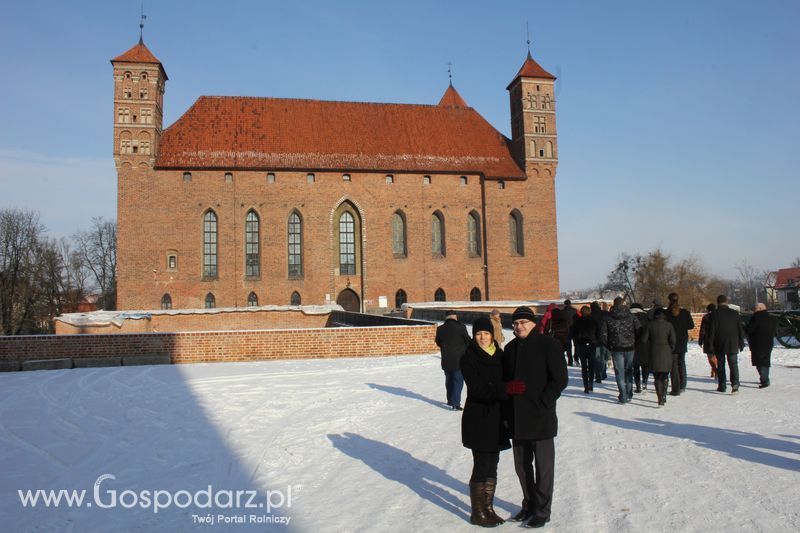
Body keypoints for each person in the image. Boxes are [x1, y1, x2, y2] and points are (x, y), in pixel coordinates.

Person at [503, 306, 568, 528]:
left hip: (540, 415)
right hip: (517, 416)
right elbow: (504, 379)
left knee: (544, 466)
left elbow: (560, 379)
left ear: (533, 324)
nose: (519, 327)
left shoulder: (548, 345)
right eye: (516, 323)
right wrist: (507, 388)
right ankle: (529, 503)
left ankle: (542, 510)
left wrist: (544, 401)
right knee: (522, 466)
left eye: (523, 323)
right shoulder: (510, 348)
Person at [461, 317, 511, 526]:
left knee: (493, 464)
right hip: (479, 418)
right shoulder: (468, 358)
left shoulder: (500, 355)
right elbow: (477, 389)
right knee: (481, 464)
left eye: (486, 334)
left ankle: (488, 508)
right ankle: (477, 512)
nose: (482, 338)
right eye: (479, 334)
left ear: (493, 335)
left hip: (497, 418)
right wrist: (506, 390)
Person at [600, 296, 640, 404]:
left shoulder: (608, 317)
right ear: (624, 304)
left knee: (619, 372)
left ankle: (623, 395)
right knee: (628, 370)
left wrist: (609, 346)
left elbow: (603, 335)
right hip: (630, 347)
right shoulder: (631, 316)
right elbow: (639, 330)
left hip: (616, 348)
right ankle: (629, 392)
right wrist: (635, 342)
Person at [708, 294, 745, 394]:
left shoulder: (714, 314)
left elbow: (712, 331)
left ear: (717, 302)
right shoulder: (734, 313)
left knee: (721, 365)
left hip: (719, 342)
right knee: (733, 364)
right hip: (733, 342)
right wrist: (741, 342)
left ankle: (722, 385)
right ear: (727, 301)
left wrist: (710, 344)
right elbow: (740, 329)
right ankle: (735, 385)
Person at [435, 311, 470, 410]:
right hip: (459, 358)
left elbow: (438, 342)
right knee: (458, 380)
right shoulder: (461, 327)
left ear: (446, 318)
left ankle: (450, 400)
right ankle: (455, 404)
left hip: (446, 358)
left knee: (449, 380)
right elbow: (467, 340)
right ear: (455, 317)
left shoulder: (440, 329)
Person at [642, 307, 676, 406]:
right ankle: (664, 395)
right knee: (665, 375)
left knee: (657, 377)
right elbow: (673, 340)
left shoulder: (650, 325)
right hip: (666, 351)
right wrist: (671, 349)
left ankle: (660, 398)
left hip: (654, 352)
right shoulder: (669, 325)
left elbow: (644, 339)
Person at [664, 292, 695, 395]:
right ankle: (683, 384)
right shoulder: (685, 312)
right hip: (682, 340)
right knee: (682, 363)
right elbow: (691, 325)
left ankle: (675, 387)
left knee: (673, 365)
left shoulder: (666, 313)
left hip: (671, 341)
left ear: (669, 300)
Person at [745, 303, 778, 388]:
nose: (754, 310)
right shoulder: (772, 318)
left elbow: (750, 330)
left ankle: (764, 380)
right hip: (769, 342)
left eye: (755, 308)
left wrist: (744, 327)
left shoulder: (756, 318)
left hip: (757, 343)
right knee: (766, 361)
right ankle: (765, 378)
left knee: (759, 362)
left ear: (759, 308)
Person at [571, 305, 597, 393]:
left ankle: (586, 386)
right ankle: (591, 384)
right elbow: (598, 333)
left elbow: (573, 333)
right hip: (591, 344)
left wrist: (577, 341)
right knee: (591, 365)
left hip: (581, 345)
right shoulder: (593, 321)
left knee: (584, 366)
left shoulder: (577, 321)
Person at [630, 303, 650, 393]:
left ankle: (638, 386)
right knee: (645, 365)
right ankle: (645, 383)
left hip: (632, 344)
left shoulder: (629, 317)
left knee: (635, 366)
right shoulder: (646, 317)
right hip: (645, 344)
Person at [697, 303, 718, 378]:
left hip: (708, 340)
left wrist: (700, 341)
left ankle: (715, 370)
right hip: (718, 339)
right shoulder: (719, 316)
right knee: (717, 356)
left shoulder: (706, 317)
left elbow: (702, 330)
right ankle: (714, 370)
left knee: (710, 356)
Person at [590, 301, 609, 382]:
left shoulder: (591, 316)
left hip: (595, 340)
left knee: (597, 358)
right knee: (603, 358)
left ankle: (598, 376)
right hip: (606, 339)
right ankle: (603, 373)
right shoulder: (605, 314)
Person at [561, 300, 578, 366]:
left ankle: (570, 361)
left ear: (564, 304)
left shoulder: (562, 312)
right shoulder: (575, 311)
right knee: (576, 345)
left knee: (568, 346)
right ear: (570, 304)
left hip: (566, 331)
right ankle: (576, 358)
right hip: (574, 330)